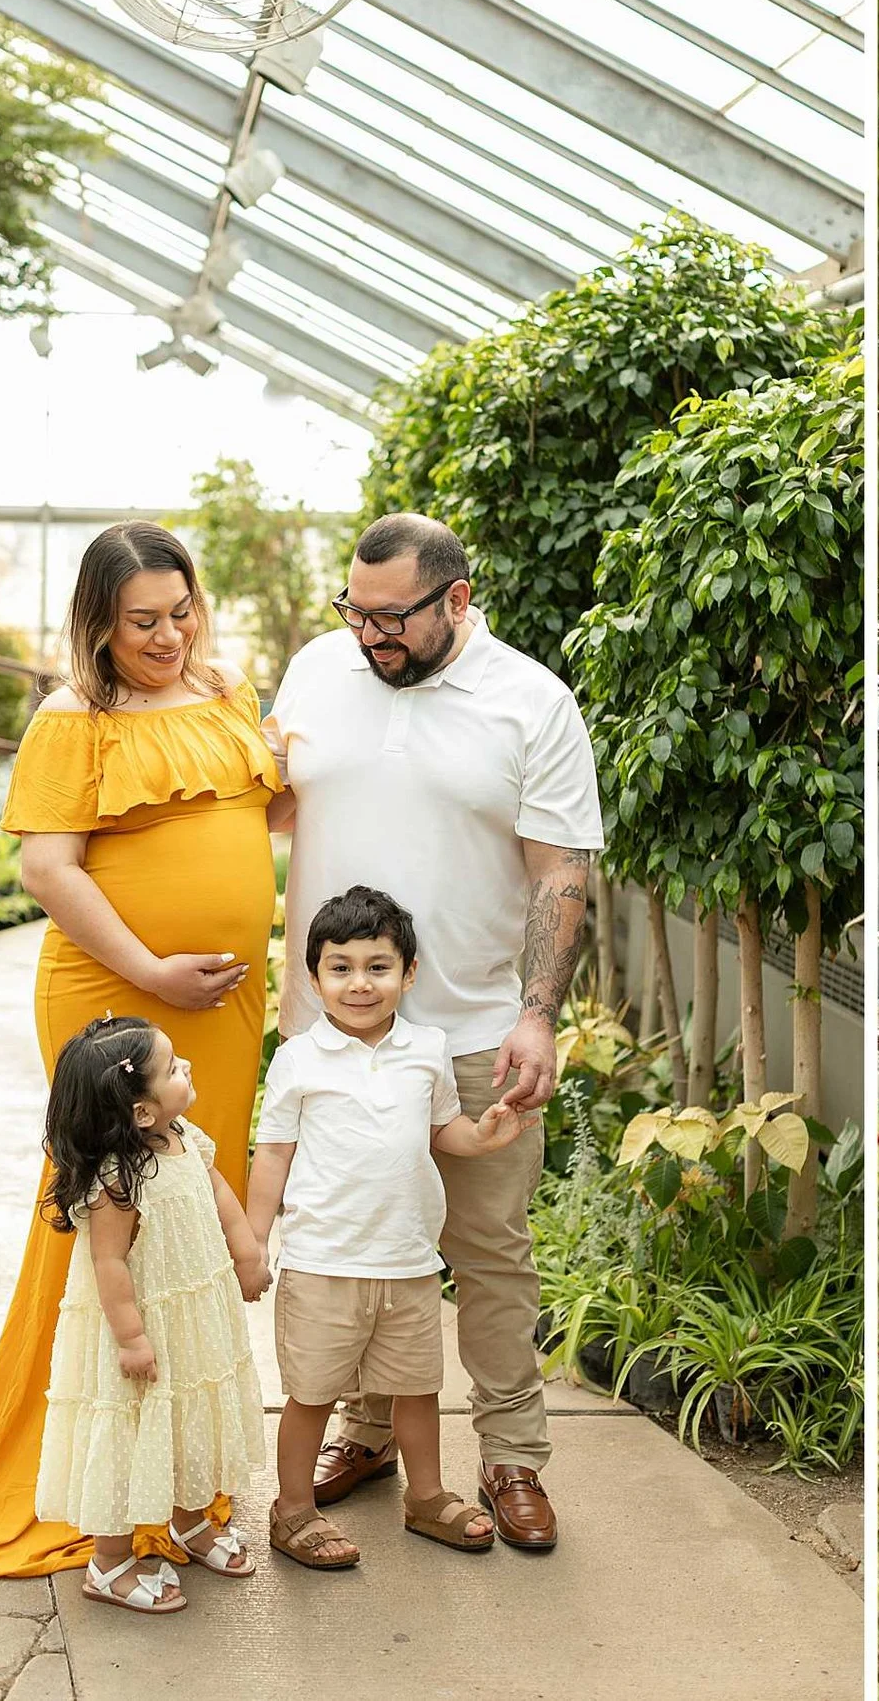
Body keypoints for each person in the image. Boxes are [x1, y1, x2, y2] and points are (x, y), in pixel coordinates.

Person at [0, 522, 283, 1578]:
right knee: (104, 1226)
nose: (167, 636)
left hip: (218, 1007)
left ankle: (184, 1488)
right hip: (114, 1002)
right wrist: (153, 972)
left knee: (191, 1226)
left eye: (181, 613)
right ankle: (75, 1485)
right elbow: (50, 871)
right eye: (142, 622)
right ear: (97, 621)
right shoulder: (70, 717)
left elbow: (261, 818)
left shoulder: (225, 697)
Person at [266, 514, 602, 1550]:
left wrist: (536, 1015)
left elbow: (562, 871)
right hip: (328, 1044)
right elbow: (271, 814)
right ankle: (367, 1435)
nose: (370, 637)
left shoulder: (531, 702)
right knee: (358, 1250)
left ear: (457, 599)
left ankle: (512, 1460)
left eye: (392, 618)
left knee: (490, 1258)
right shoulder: (316, 671)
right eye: (355, 613)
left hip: (468, 1037)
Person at [247, 887, 527, 1570]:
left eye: (378, 966)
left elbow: (443, 1133)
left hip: (407, 1261)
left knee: (416, 1389)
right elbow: (274, 1153)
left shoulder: (427, 1050)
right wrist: (253, 1242)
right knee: (311, 1395)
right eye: (340, 967)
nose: (359, 982)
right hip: (323, 1261)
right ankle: (292, 1510)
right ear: (313, 979)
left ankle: (426, 1495)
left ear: (409, 973)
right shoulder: (298, 1059)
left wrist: (483, 1137)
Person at [32, 1016, 266, 1615]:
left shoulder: (184, 1136)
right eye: (172, 1067)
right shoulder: (116, 1181)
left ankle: (191, 1522)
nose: (186, 1067)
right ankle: (109, 1562)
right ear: (140, 1112)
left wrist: (245, 1255)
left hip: (195, 1316)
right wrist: (131, 1338)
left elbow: (220, 1197)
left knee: (192, 1416)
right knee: (135, 1429)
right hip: (143, 1331)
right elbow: (108, 1264)